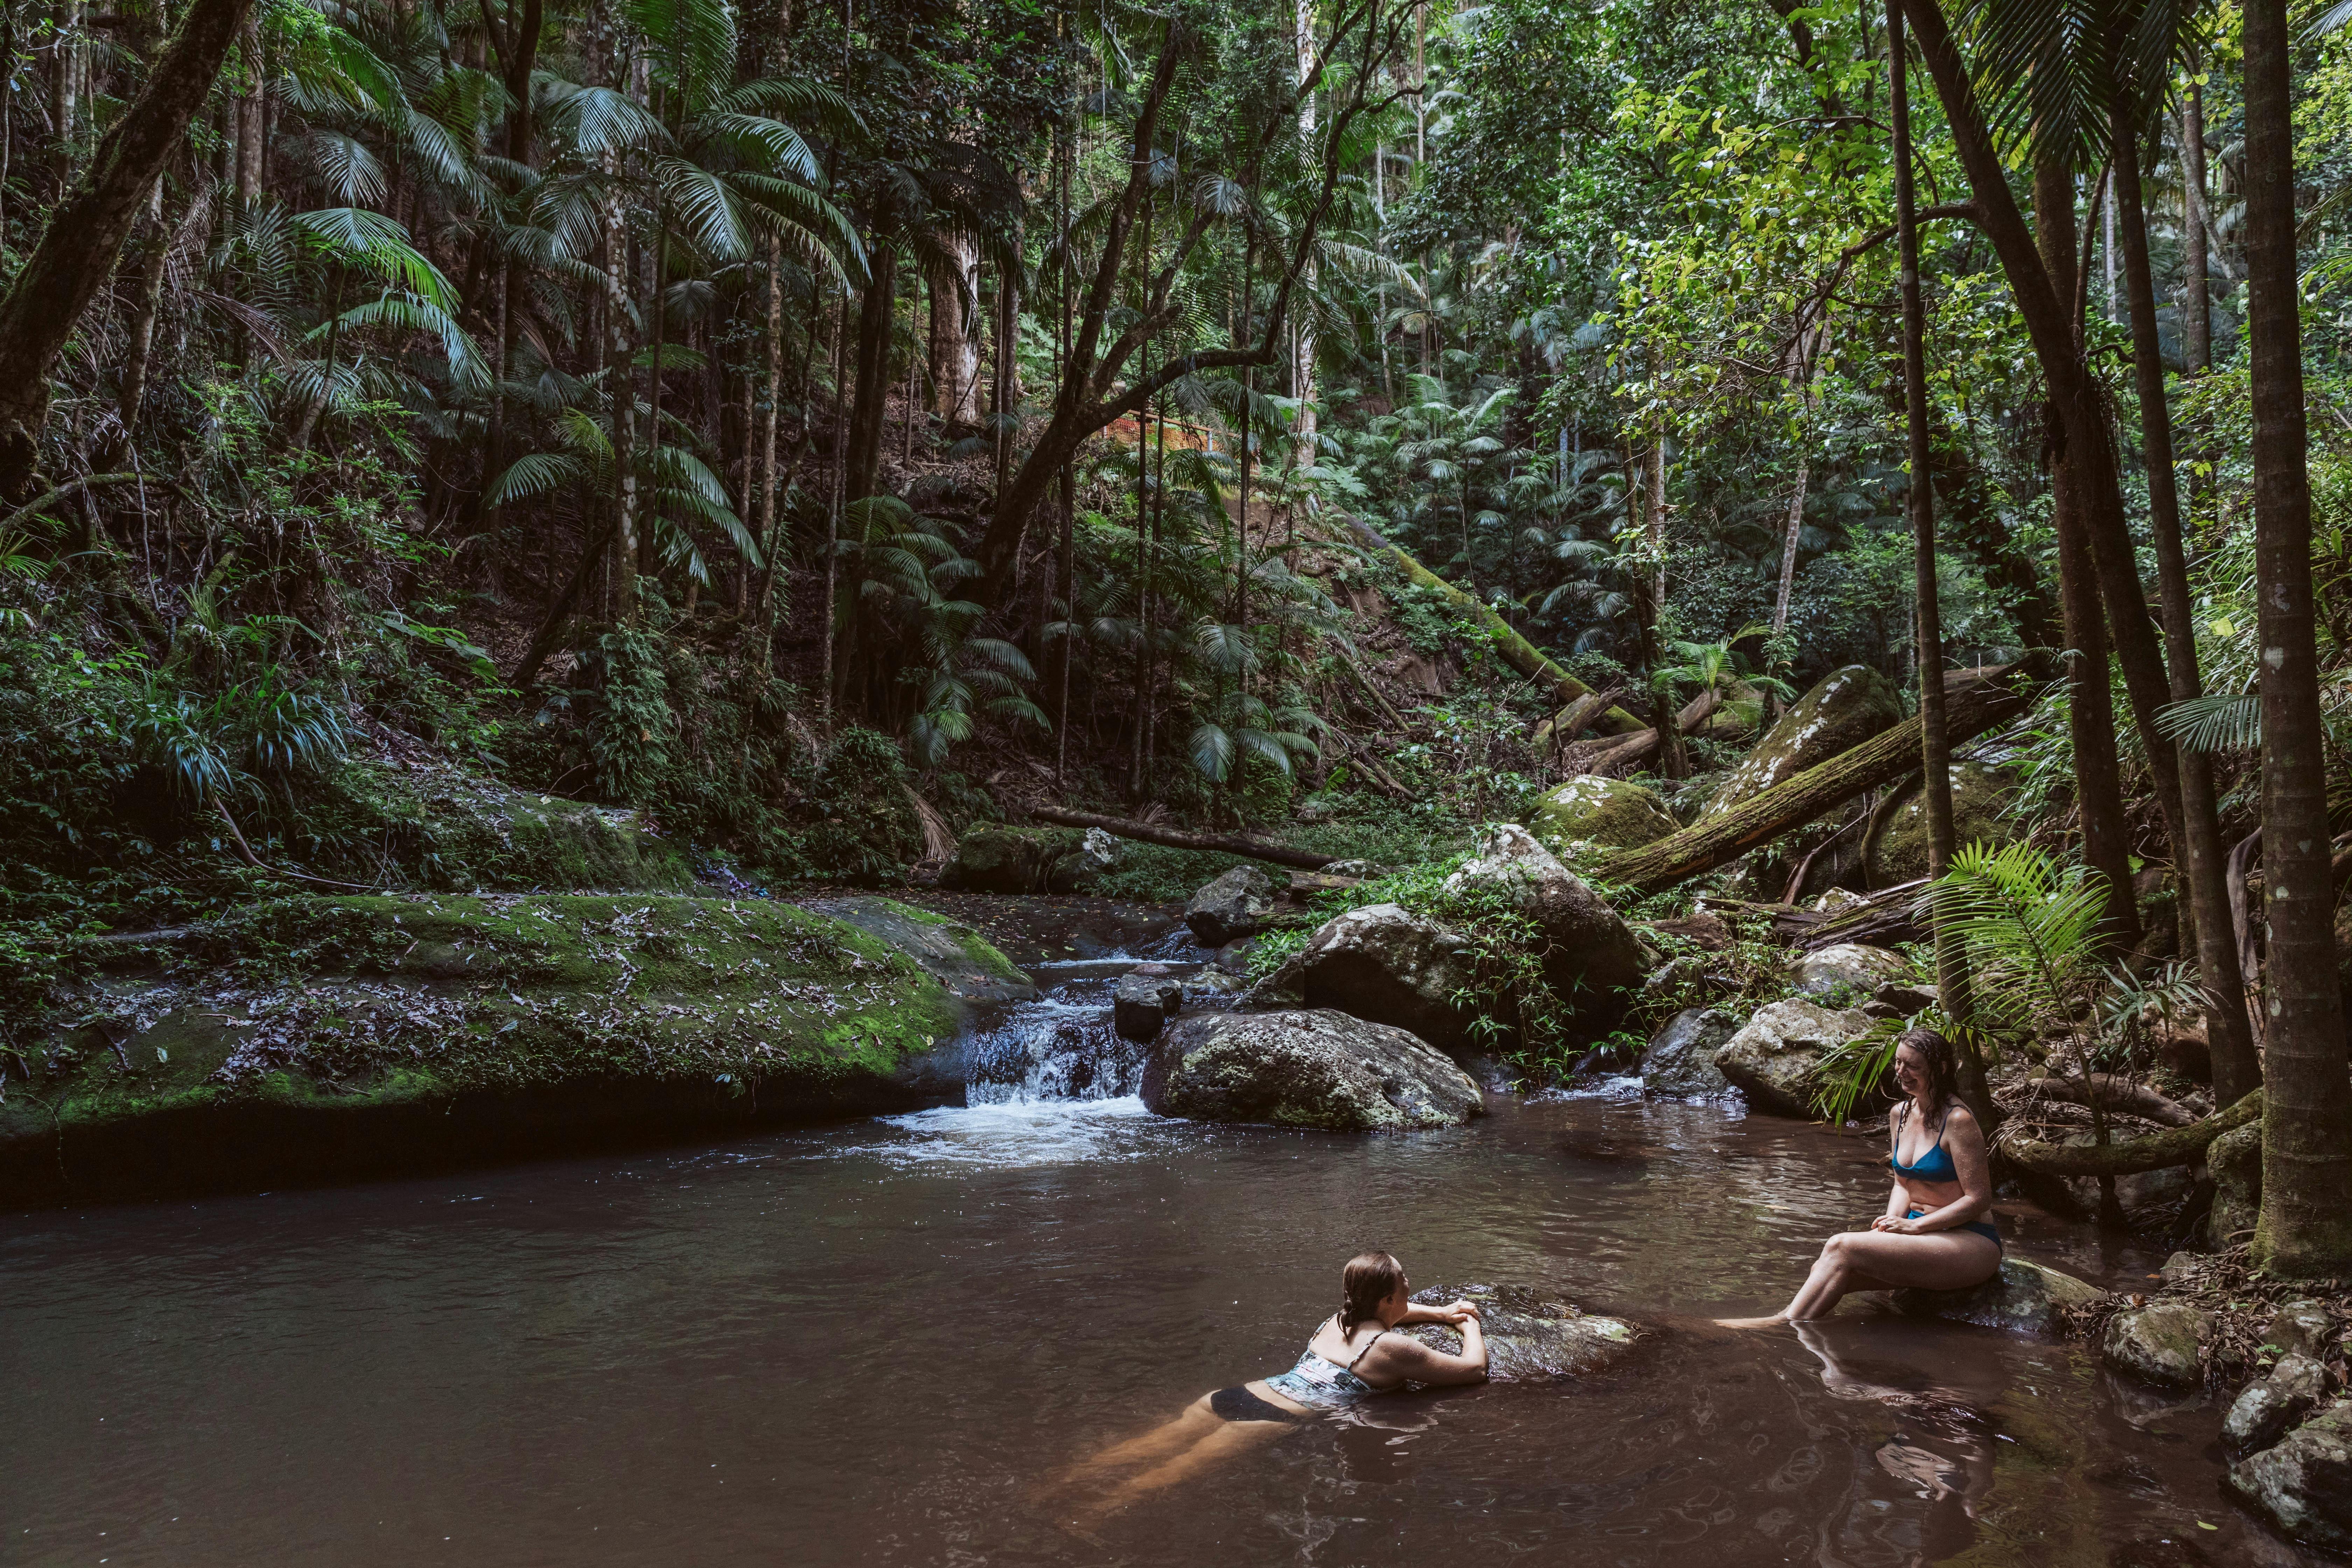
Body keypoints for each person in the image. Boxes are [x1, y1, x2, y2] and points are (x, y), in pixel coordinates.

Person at [1059, 1250, 1487, 1516]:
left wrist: (1440, 1311)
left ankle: (1053, 1489)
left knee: (1144, 1447)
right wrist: (1468, 1325)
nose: (1410, 1290)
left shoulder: (1336, 1321)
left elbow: (1392, 1312)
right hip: (1270, 1417)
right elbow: (1473, 1371)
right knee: (1171, 1473)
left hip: (1236, 1395)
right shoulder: (1392, 1348)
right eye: (1405, 1285)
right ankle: (1091, 1514)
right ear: (1388, 1299)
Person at [1718, 1028, 2002, 1326]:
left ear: (1940, 1069)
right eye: (1898, 1063)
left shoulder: (1959, 1120)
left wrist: (1914, 1226)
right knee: (1831, 1268)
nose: (1901, 1072)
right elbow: (1902, 1183)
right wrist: (1888, 1226)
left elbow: (1978, 1199)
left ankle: (1778, 1325)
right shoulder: (1900, 1114)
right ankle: (1815, 1346)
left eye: (1913, 1066)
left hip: (1969, 1242)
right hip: (1924, 1236)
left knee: (1842, 1246)